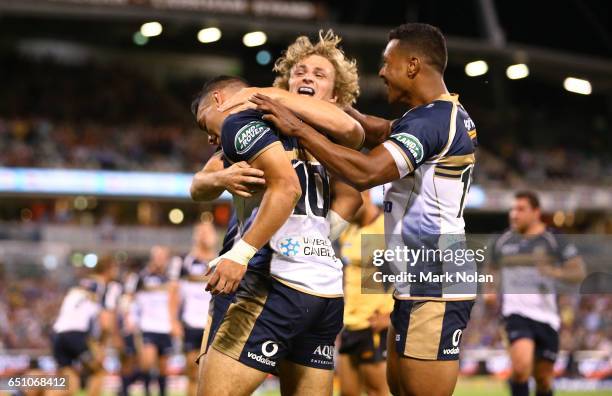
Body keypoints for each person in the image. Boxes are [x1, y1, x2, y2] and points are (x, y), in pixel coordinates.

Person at [248, 23, 478, 396]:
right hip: (417, 281)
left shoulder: (431, 121)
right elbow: (377, 131)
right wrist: (334, 107)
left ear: (413, 65)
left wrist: (301, 128)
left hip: (435, 282)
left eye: (388, 63)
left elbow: (366, 171)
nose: (383, 72)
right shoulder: (437, 115)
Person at [488, 191, 585, 396]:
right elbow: (491, 268)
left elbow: (578, 272)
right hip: (515, 314)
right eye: (513, 209)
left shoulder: (553, 239)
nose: (514, 214)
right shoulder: (502, 240)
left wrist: (552, 271)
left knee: (543, 379)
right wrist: (489, 290)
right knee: (522, 368)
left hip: (547, 317)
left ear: (536, 212)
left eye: (521, 209)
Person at [337, 190, 393, 396]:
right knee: (347, 392)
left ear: (366, 194)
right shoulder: (348, 230)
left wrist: (391, 316)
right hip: (350, 324)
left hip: (374, 325)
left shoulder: (385, 230)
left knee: (377, 391)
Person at [51, 255, 121, 396]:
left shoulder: (80, 284)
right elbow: (106, 322)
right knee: (99, 371)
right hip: (76, 335)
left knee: (69, 382)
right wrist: (102, 345)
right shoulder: (108, 287)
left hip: (57, 335)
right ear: (109, 269)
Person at [168, 221, 216, 396]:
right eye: (202, 232)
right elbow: (173, 293)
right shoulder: (183, 261)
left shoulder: (222, 260)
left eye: (209, 232)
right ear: (195, 235)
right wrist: (173, 321)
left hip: (214, 323)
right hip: (191, 324)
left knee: (213, 373)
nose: (205, 235)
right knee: (192, 371)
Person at [125, 246, 174, 396]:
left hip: (166, 327)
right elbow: (129, 298)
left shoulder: (171, 278)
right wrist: (130, 318)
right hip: (147, 326)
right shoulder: (140, 277)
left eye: (163, 257)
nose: (160, 260)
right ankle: (144, 391)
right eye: (157, 256)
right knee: (146, 364)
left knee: (164, 368)